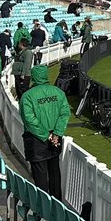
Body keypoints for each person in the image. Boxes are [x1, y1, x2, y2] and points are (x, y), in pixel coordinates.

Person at [20, 64, 69, 199]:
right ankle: (57, 208)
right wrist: (57, 134)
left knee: (41, 178)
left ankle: (44, 210)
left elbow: (29, 119)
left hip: (37, 140)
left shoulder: (28, 96)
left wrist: (46, 135)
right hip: (54, 138)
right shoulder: (58, 93)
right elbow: (64, 114)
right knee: (54, 175)